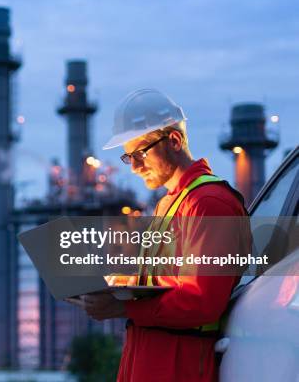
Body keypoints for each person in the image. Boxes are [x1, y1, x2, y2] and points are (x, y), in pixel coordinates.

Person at [79, 89, 251, 381]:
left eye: (140, 153)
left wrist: (122, 307)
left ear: (174, 141)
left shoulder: (210, 204)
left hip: (178, 363)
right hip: (148, 355)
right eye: (127, 157)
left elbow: (202, 302)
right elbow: (168, 279)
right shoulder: (170, 203)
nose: (133, 167)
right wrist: (126, 283)